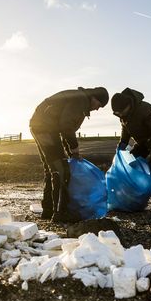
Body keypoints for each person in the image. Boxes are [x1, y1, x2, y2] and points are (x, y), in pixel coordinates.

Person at [29, 87, 109, 222]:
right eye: (99, 105)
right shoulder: (81, 100)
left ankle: (48, 210)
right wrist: (74, 148)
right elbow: (66, 126)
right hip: (45, 129)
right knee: (61, 170)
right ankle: (60, 213)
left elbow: (63, 127)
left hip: (40, 126)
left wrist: (70, 151)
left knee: (52, 169)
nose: (97, 109)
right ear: (94, 98)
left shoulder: (78, 97)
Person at [111, 87, 151, 217]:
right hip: (142, 143)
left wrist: (146, 146)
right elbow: (125, 130)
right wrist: (122, 145)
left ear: (128, 105)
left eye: (121, 112)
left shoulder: (145, 109)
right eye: (118, 114)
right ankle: (131, 199)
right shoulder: (123, 114)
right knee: (131, 164)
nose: (120, 115)